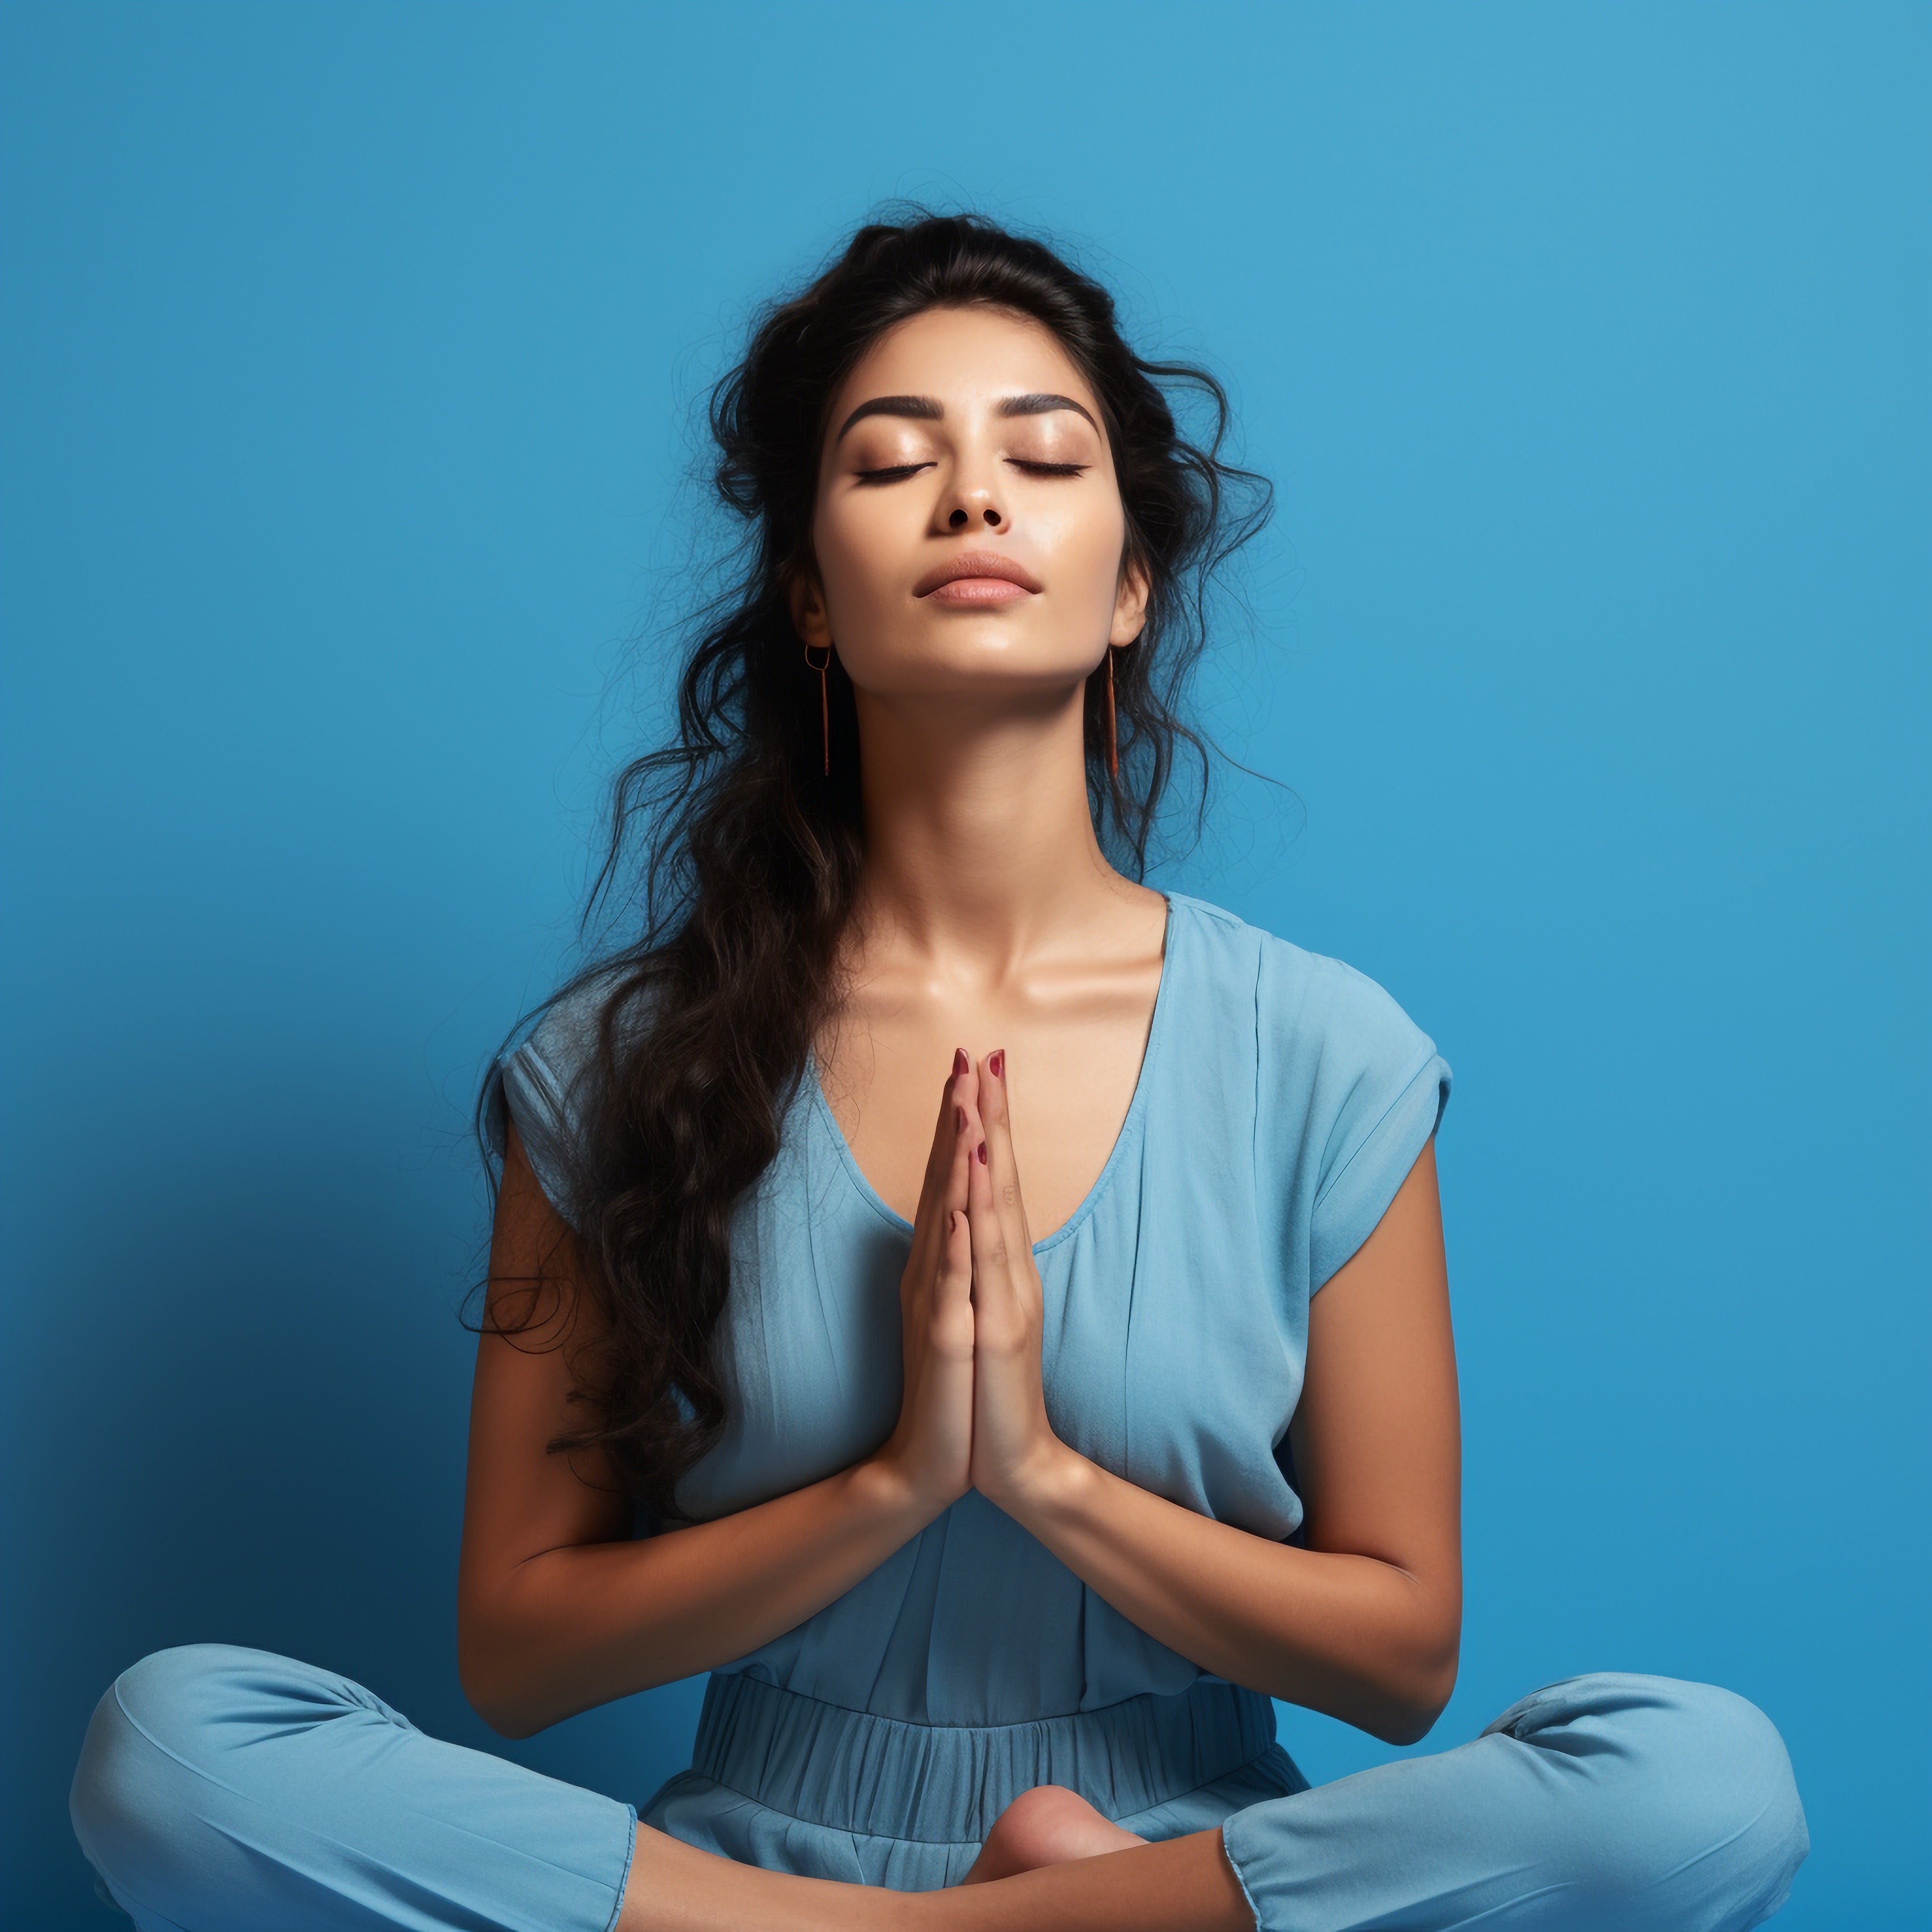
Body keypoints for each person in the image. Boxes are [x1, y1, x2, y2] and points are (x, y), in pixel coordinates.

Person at [69, 213, 1807, 1932]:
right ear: (811, 599)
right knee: (175, 1747)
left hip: (1190, 1885)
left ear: (1132, 587)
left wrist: (1040, 1472)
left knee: (1696, 1786)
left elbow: (1403, 1657)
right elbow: (518, 1655)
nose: (973, 498)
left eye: (1043, 461)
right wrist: (899, 1479)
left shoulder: (1322, 1053)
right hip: (738, 1876)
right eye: (895, 463)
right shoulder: (611, 1066)